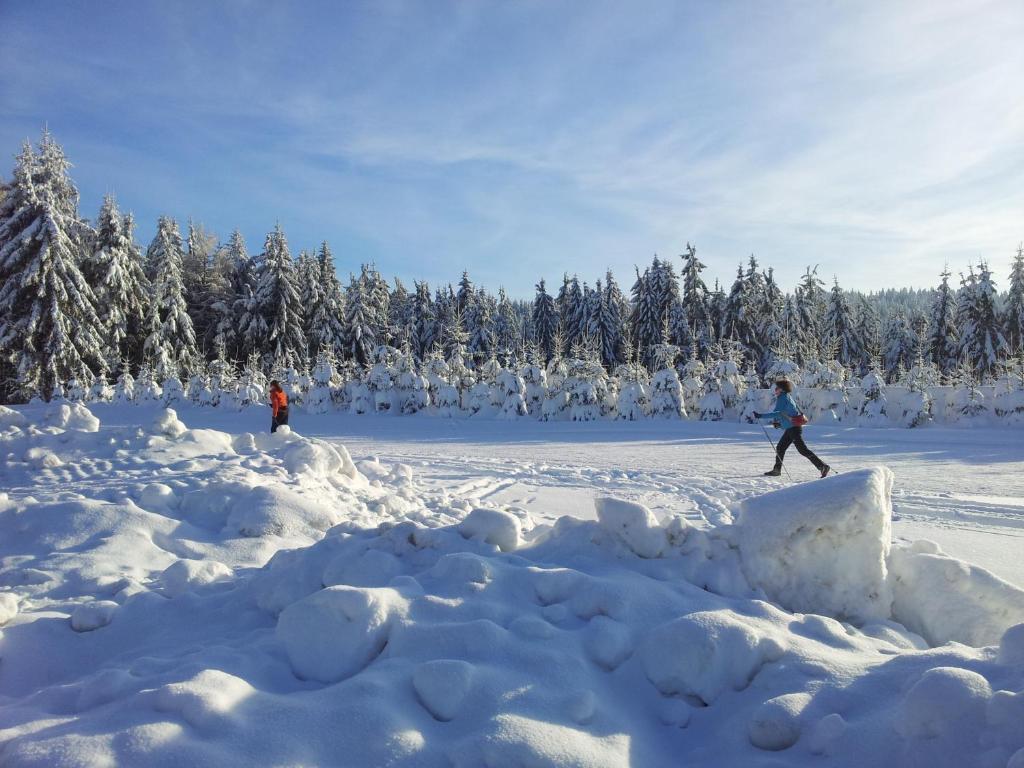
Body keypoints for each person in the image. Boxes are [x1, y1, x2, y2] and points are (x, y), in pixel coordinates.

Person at [753, 379, 830, 478]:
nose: (775, 389)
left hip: (793, 429)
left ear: (782, 389)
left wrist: (760, 416)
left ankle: (823, 466)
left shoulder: (783, 398)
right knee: (780, 447)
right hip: (791, 428)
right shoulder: (786, 397)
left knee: (802, 450)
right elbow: (788, 414)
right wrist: (780, 425)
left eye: (777, 388)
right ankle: (777, 470)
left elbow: (778, 413)